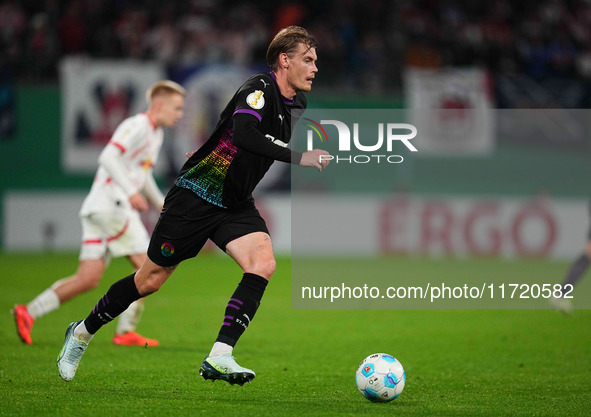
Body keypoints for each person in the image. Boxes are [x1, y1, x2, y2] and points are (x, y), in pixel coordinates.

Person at [56, 25, 329, 385]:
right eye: (307, 60)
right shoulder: (258, 89)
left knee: (262, 263)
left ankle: (220, 356)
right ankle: (81, 333)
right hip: (196, 196)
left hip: (233, 202)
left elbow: (231, 130)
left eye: (315, 61)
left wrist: (208, 150)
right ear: (284, 60)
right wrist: (300, 158)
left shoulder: (298, 102)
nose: (315, 68)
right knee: (150, 280)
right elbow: (245, 134)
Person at [13, 80, 186, 346]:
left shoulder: (156, 133)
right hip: (113, 205)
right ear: (159, 104)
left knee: (88, 277)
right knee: (150, 268)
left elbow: (144, 173)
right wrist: (129, 192)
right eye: (176, 108)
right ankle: (125, 330)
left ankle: (29, 312)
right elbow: (107, 157)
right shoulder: (137, 126)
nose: (180, 114)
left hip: (100, 208)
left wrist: (161, 202)